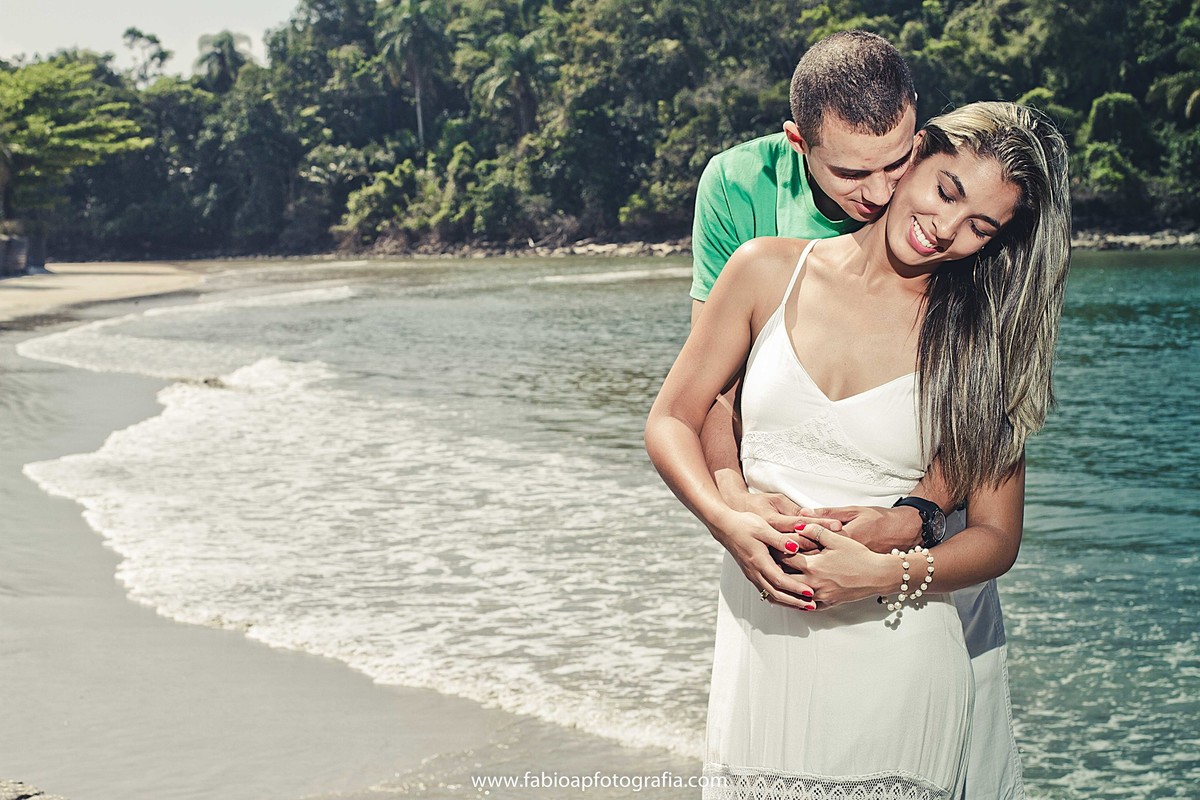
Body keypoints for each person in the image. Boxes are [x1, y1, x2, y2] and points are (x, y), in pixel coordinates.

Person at [646, 102, 1071, 797]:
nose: (946, 229)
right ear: (914, 158)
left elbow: (997, 538)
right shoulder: (765, 272)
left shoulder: (977, 339)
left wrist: (879, 573)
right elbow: (672, 419)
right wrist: (730, 520)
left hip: (896, 647)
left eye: (980, 228)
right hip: (758, 639)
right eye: (947, 191)